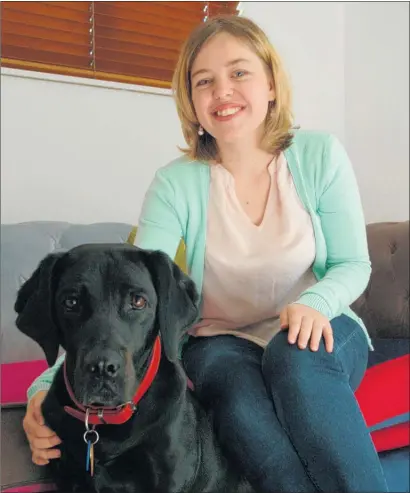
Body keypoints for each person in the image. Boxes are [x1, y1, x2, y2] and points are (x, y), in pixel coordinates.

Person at [22, 15, 388, 493]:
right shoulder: (175, 184)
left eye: (239, 72)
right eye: (204, 81)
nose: (223, 91)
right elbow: (124, 296)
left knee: (292, 360)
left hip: (319, 327)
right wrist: (44, 388)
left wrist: (314, 305)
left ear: (271, 84)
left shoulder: (320, 156)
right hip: (220, 341)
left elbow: (352, 264)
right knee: (237, 401)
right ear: (191, 101)